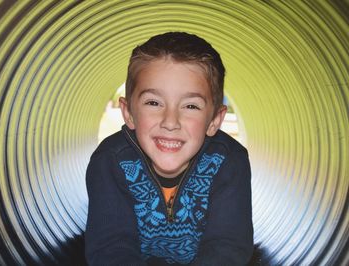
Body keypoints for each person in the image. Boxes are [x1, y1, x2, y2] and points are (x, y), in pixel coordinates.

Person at [85, 32, 253, 265]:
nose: (170, 121)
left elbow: (227, 245)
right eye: (154, 102)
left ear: (215, 119)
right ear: (128, 113)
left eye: (191, 106)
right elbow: (111, 246)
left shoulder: (228, 161)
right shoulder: (112, 161)